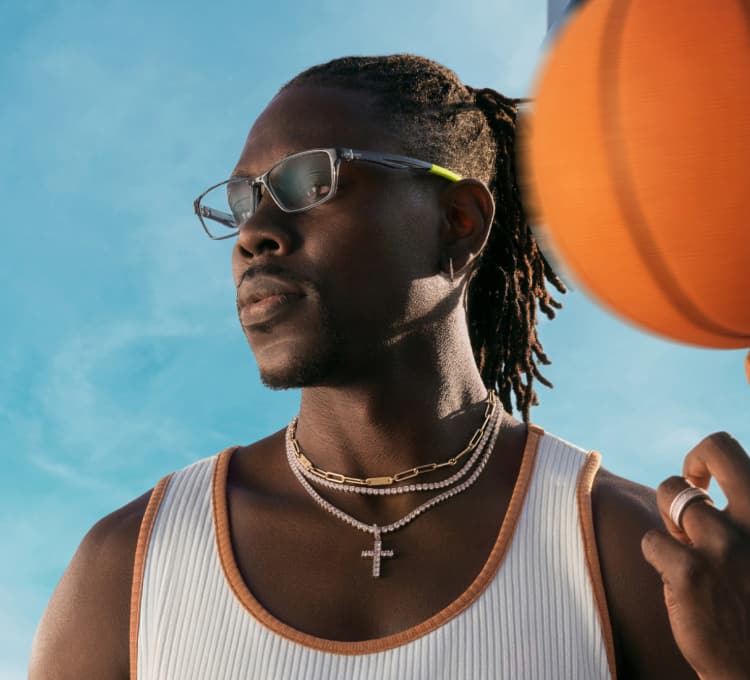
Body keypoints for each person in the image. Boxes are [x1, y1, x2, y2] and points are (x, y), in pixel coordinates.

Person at [29, 55, 750, 680]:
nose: (254, 234)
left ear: (458, 221)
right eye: (243, 201)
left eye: (309, 180)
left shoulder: (637, 558)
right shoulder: (128, 568)